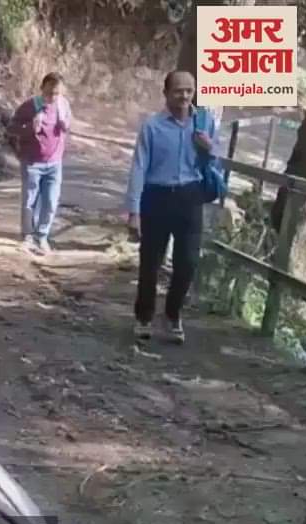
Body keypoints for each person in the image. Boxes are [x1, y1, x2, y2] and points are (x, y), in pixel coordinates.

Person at [124, 70, 219, 345]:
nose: (185, 96)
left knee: (187, 263)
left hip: (190, 197)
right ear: (166, 93)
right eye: (178, 90)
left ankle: (172, 314)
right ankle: (143, 317)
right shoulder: (152, 127)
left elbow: (218, 161)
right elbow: (139, 168)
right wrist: (134, 211)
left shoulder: (204, 123)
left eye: (189, 90)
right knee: (150, 263)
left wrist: (209, 147)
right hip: (157, 197)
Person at [10, 72, 72, 255]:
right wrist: (30, 128)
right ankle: (27, 237)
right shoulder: (29, 107)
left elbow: (68, 124)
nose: (52, 97)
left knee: (51, 202)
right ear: (42, 89)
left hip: (55, 163)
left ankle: (42, 236)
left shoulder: (63, 105)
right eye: (49, 93)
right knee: (30, 202)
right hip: (32, 163)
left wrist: (64, 123)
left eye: (56, 94)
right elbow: (11, 128)